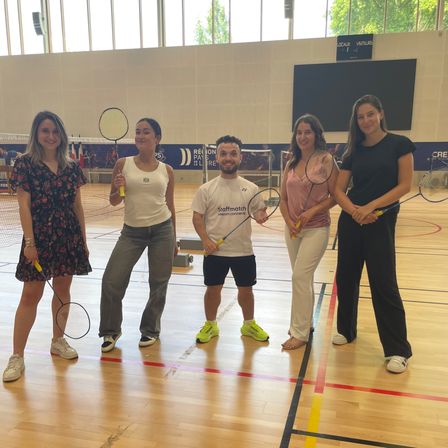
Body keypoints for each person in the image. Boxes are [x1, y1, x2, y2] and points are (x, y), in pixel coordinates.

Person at [2, 111, 91, 383]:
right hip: (39, 236)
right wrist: (30, 242)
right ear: (36, 134)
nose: (51, 136)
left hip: (67, 235)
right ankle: (17, 356)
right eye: (45, 131)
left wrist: (83, 241)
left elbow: (77, 206)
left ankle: (58, 340)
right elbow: (23, 206)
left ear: (61, 135)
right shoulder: (25, 164)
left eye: (55, 131)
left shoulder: (72, 166)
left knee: (63, 289)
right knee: (31, 295)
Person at [332, 94, 414, 374]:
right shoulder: (353, 150)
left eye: (369, 114)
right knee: (346, 277)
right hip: (352, 220)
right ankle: (346, 329)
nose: (365, 120)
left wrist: (371, 207)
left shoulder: (399, 144)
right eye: (360, 116)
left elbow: (404, 185)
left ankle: (397, 350)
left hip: (381, 220)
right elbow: (338, 190)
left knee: (384, 284)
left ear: (380, 113)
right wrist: (355, 211)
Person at [99, 118, 176, 352]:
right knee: (112, 281)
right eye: (138, 132)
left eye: (146, 132)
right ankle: (111, 331)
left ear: (157, 138)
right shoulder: (123, 164)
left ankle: (150, 330)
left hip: (162, 230)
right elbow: (113, 201)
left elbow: (170, 205)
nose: (141, 136)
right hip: (131, 233)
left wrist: (174, 238)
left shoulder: (167, 170)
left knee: (159, 283)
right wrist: (117, 187)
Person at [192, 135, 270, 344]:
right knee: (213, 289)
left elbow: (260, 211)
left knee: (246, 291)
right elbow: (197, 217)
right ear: (217, 157)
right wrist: (205, 240)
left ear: (240, 157)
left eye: (233, 154)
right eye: (224, 154)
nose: (228, 158)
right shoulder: (206, 189)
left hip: (243, 250)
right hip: (215, 251)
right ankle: (210, 324)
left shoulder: (251, 188)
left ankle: (248, 325)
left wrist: (262, 216)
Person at [279, 114, 337, 350]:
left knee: (299, 277)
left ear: (316, 134)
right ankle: (306, 322)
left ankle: (299, 332)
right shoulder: (290, 163)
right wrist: (289, 220)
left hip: (316, 228)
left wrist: (311, 212)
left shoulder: (326, 160)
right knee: (304, 277)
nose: (302, 136)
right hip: (293, 229)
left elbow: (335, 196)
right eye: (299, 132)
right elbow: (282, 198)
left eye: (307, 132)